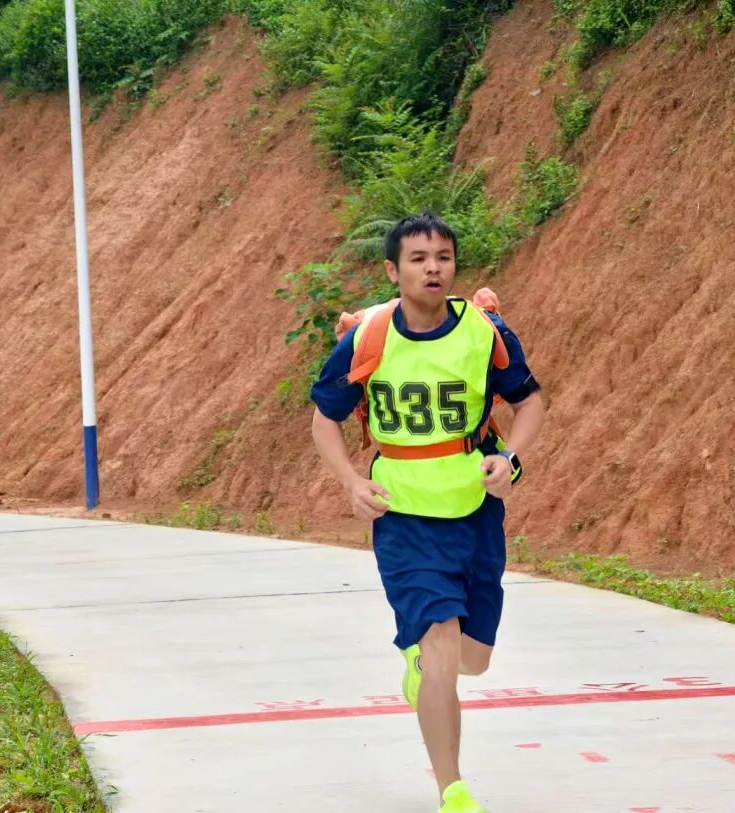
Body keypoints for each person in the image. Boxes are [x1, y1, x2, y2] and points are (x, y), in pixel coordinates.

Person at [310, 212, 545, 813]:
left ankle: (421, 664)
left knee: (473, 659)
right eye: (418, 258)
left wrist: (509, 459)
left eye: (443, 257)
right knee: (439, 641)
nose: (432, 268)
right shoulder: (367, 337)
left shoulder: (484, 332)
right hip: (404, 515)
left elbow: (529, 402)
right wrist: (352, 482)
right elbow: (324, 420)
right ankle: (453, 791)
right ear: (394, 270)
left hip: (474, 509)